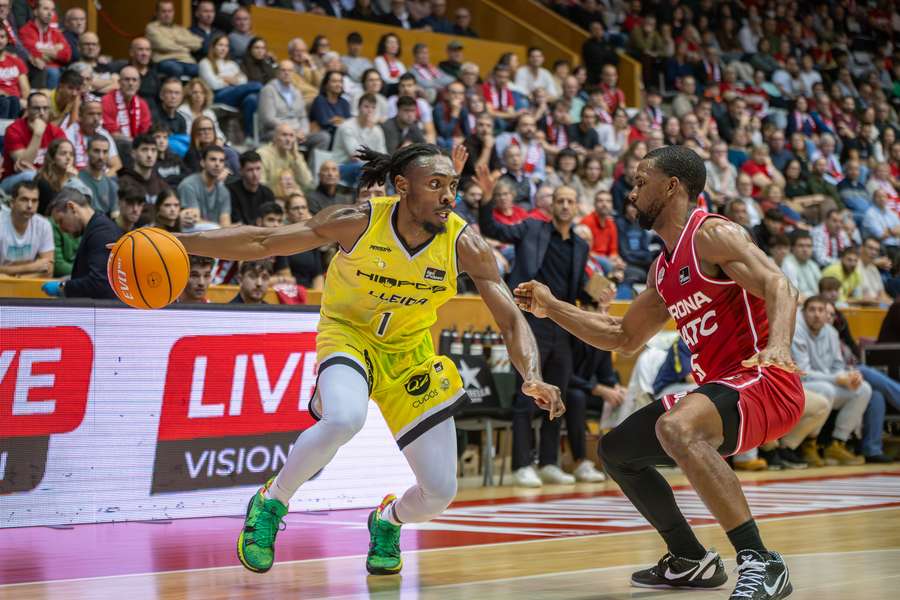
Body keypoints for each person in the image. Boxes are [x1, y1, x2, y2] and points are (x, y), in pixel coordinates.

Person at [175, 143, 562, 576]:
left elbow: (510, 318)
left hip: (410, 356)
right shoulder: (357, 222)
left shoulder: (463, 242)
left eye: (452, 185)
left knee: (440, 492)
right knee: (344, 418)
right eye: (435, 185)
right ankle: (272, 501)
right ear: (402, 186)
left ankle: (387, 520)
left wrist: (532, 376)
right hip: (349, 335)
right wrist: (178, 242)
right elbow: (264, 241)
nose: (448, 196)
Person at [514, 145, 804, 598]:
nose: (632, 192)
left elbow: (779, 283)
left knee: (677, 426)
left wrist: (779, 346)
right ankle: (689, 558)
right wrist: (552, 308)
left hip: (766, 380)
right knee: (616, 450)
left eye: (640, 181)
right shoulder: (664, 268)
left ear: (671, 186)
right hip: (723, 388)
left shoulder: (712, 233)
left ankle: (761, 561)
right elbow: (620, 336)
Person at [477, 183, 588, 487]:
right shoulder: (531, 229)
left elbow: (578, 289)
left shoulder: (580, 246)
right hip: (529, 323)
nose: (565, 205)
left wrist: (599, 292)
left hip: (562, 326)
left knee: (557, 394)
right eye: (560, 200)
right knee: (527, 392)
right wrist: (487, 199)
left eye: (570, 201)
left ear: (576, 207)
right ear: (552, 205)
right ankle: (522, 464)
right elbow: (491, 228)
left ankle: (550, 462)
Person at [792, 296, 870, 465]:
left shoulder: (832, 332)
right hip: (802, 384)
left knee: (863, 389)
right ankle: (809, 444)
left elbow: (837, 366)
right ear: (804, 313)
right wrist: (837, 378)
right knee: (826, 388)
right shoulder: (796, 330)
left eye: (821, 310)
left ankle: (836, 443)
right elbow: (802, 372)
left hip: (828, 383)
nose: (817, 315)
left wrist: (850, 376)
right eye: (812, 310)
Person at [44, 188, 120, 300]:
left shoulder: (102, 232)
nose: (62, 229)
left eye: (61, 221)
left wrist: (63, 287)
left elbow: (99, 282)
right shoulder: (96, 228)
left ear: (71, 207)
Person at [1, 91, 67, 194]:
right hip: (12, 181)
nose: (41, 113)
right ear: (27, 109)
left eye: (45, 108)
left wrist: (41, 172)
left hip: (46, 178)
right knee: (30, 176)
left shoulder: (56, 132)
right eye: (36, 108)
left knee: (74, 182)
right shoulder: (14, 130)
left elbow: (63, 163)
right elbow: (24, 165)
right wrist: (37, 134)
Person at [199, 34, 261, 138]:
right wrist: (232, 79)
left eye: (226, 46)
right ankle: (261, 88)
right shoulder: (205, 63)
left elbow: (243, 80)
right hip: (217, 95)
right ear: (213, 47)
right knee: (256, 85)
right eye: (220, 45)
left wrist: (222, 78)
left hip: (235, 94)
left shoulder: (232, 64)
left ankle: (249, 136)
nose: (223, 49)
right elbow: (214, 85)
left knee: (252, 99)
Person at [0, 181, 54, 278]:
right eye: (24, 200)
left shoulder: (44, 225)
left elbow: (49, 269)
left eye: (34, 201)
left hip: (26, 282)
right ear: (12, 203)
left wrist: (18, 279)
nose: (30, 206)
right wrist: (32, 267)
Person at [19, 0, 71, 89]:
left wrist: (43, 50)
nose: (50, 13)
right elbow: (32, 52)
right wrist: (55, 50)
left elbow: (67, 55)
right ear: (35, 11)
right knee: (53, 72)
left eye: (52, 10)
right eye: (46, 9)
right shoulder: (26, 30)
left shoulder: (55, 32)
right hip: (37, 68)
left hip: (56, 69)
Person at [177, 145, 232, 228]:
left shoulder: (224, 191)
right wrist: (219, 228)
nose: (217, 164)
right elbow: (194, 221)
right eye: (213, 159)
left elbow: (226, 223)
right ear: (202, 162)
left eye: (221, 161)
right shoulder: (189, 185)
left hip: (216, 236)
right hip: (192, 235)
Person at [146, 0, 202, 79]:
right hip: (164, 60)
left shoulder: (180, 29)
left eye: (170, 11)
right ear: (156, 13)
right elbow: (163, 45)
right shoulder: (152, 27)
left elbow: (198, 43)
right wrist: (185, 47)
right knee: (176, 69)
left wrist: (176, 40)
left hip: (186, 60)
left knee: (199, 69)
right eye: (164, 11)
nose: (167, 14)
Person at [258, 60, 309, 143]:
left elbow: (303, 117)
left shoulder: (297, 92)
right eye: (283, 70)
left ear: (294, 73)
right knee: (287, 138)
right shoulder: (268, 90)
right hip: (275, 131)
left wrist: (303, 132)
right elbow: (268, 119)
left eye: (290, 70)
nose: (287, 73)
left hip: (297, 132)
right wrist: (291, 131)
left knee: (322, 138)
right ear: (277, 72)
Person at [65, 100, 121, 173]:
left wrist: (102, 180)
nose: (96, 118)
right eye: (91, 114)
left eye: (99, 114)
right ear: (80, 116)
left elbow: (116, 165)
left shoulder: (104, 134)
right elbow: (67, 166)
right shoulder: (69, 134)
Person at [101, 66, 152, 144]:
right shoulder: (107, 101)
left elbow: (144, 132)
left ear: (139, 84)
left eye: (134, 80)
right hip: (113, 144)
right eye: (127, 79)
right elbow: (111, 132)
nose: (131, 83)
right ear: (119, 82)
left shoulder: (142, 104)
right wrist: (134, 143)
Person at [257, 123, 314, 191]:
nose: (288, 139)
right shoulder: (263, 154)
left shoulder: (295, 155)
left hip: (291, 197)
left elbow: (307, 183)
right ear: (275, 138)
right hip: (270, 197)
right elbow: (260, 184)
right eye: (284, 135)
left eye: (291, 136)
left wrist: (296, 156)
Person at [117, 134, 170, 204]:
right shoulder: (122, 183)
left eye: (153, 150)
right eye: (144, 150)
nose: (149, 155)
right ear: (133, 154)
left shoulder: (162, 184)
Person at [228, 150, 275, 226]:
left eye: (258, 169)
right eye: (250, 170)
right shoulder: (231, 191)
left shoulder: (268, 193)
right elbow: (236, 223)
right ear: (241, 171)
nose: (255, 174)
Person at [78, 136, 118, 216]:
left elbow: (115, 215)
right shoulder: (77, 180)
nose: (101, 157)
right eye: (96, 151)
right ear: (87, 152)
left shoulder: (112, 185)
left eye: (105, 152)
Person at [781, 230, 822, 301]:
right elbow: (794, 295)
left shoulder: (812, 264)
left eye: (809, 246)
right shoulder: (788, 264)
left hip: (813, 303)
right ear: (792, 248)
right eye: (801, 246)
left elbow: (821, 289)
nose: (805, 249)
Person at [0, 25, 28, 119]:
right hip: (3, 100)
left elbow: (25, 88)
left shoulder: (16, 61)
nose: (0, 41)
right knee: (5, 101)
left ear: (7, 39)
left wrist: (26, 100)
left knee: (15, 101)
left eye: (2, 37)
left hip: (15, 101)